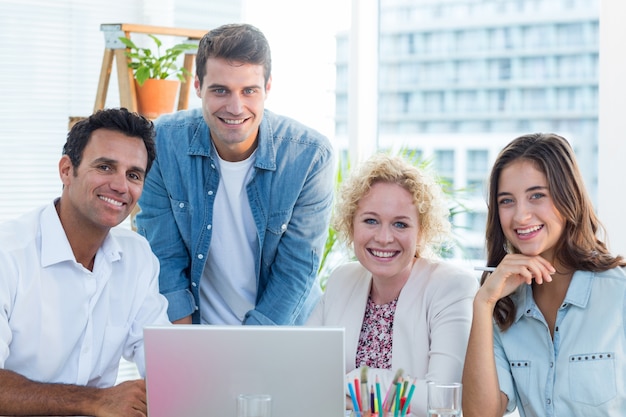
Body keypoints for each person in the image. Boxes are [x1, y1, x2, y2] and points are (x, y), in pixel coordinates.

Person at [135, 23, 335, 326]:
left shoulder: (309, 156)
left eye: (249, 91)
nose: (235, 106)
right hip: (197, 332)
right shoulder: (162, 143)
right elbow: (164, 256)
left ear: (267, 89)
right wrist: (186, 349)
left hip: (280, 336)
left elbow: (295, 273)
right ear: (198, 86)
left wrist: (246, 356)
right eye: (220, 90)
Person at [0, 108, 170, 417]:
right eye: (105, 167)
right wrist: (94, 401)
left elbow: (162, 361)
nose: (121, 186)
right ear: (67, 170)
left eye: (134, 175)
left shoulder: (137, 257)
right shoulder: (8, 255)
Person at [462, 133, 626, 417]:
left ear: (568, 196)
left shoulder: (619, 294)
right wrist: (483, 304)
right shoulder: (503, 305)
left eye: (537, 195)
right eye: (506, 201)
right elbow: (480, 415)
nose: (521, 216)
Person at [307, 153, 478, 416]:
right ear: (352, 225)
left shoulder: (452, 287)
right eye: (371, 221)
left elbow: (442, 399)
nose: (384, 238)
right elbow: (305, 375)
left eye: (400, 224)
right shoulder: (342, 280)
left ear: (421, 232)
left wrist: (357, 382)